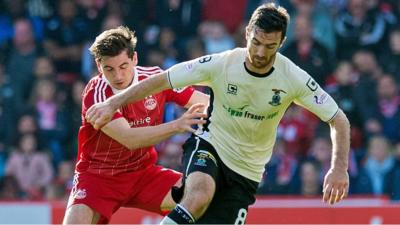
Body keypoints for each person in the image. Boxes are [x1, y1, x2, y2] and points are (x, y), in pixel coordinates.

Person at [86, 3, 350, 224]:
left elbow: (338, 119)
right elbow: (161, 80)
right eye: (255, 42)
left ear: (281, 42)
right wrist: (113, 103)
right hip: (211, 144)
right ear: (247, 32)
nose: (259, 52)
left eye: (269, 46)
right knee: (198, 196)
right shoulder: (221, 63)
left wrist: (339, 168)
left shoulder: (292, 77)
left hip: (247, 170)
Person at [63, 26, 209, 224]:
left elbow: (205, 103)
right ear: (99, 66)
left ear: (135, 59)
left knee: (201, 197)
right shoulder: (95, 94)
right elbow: (130, 139)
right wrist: (177, 125)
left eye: (123, 66)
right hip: (99, 178)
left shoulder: (156, 78)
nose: (118, 76)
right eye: (109, 69)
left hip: (143, 175)